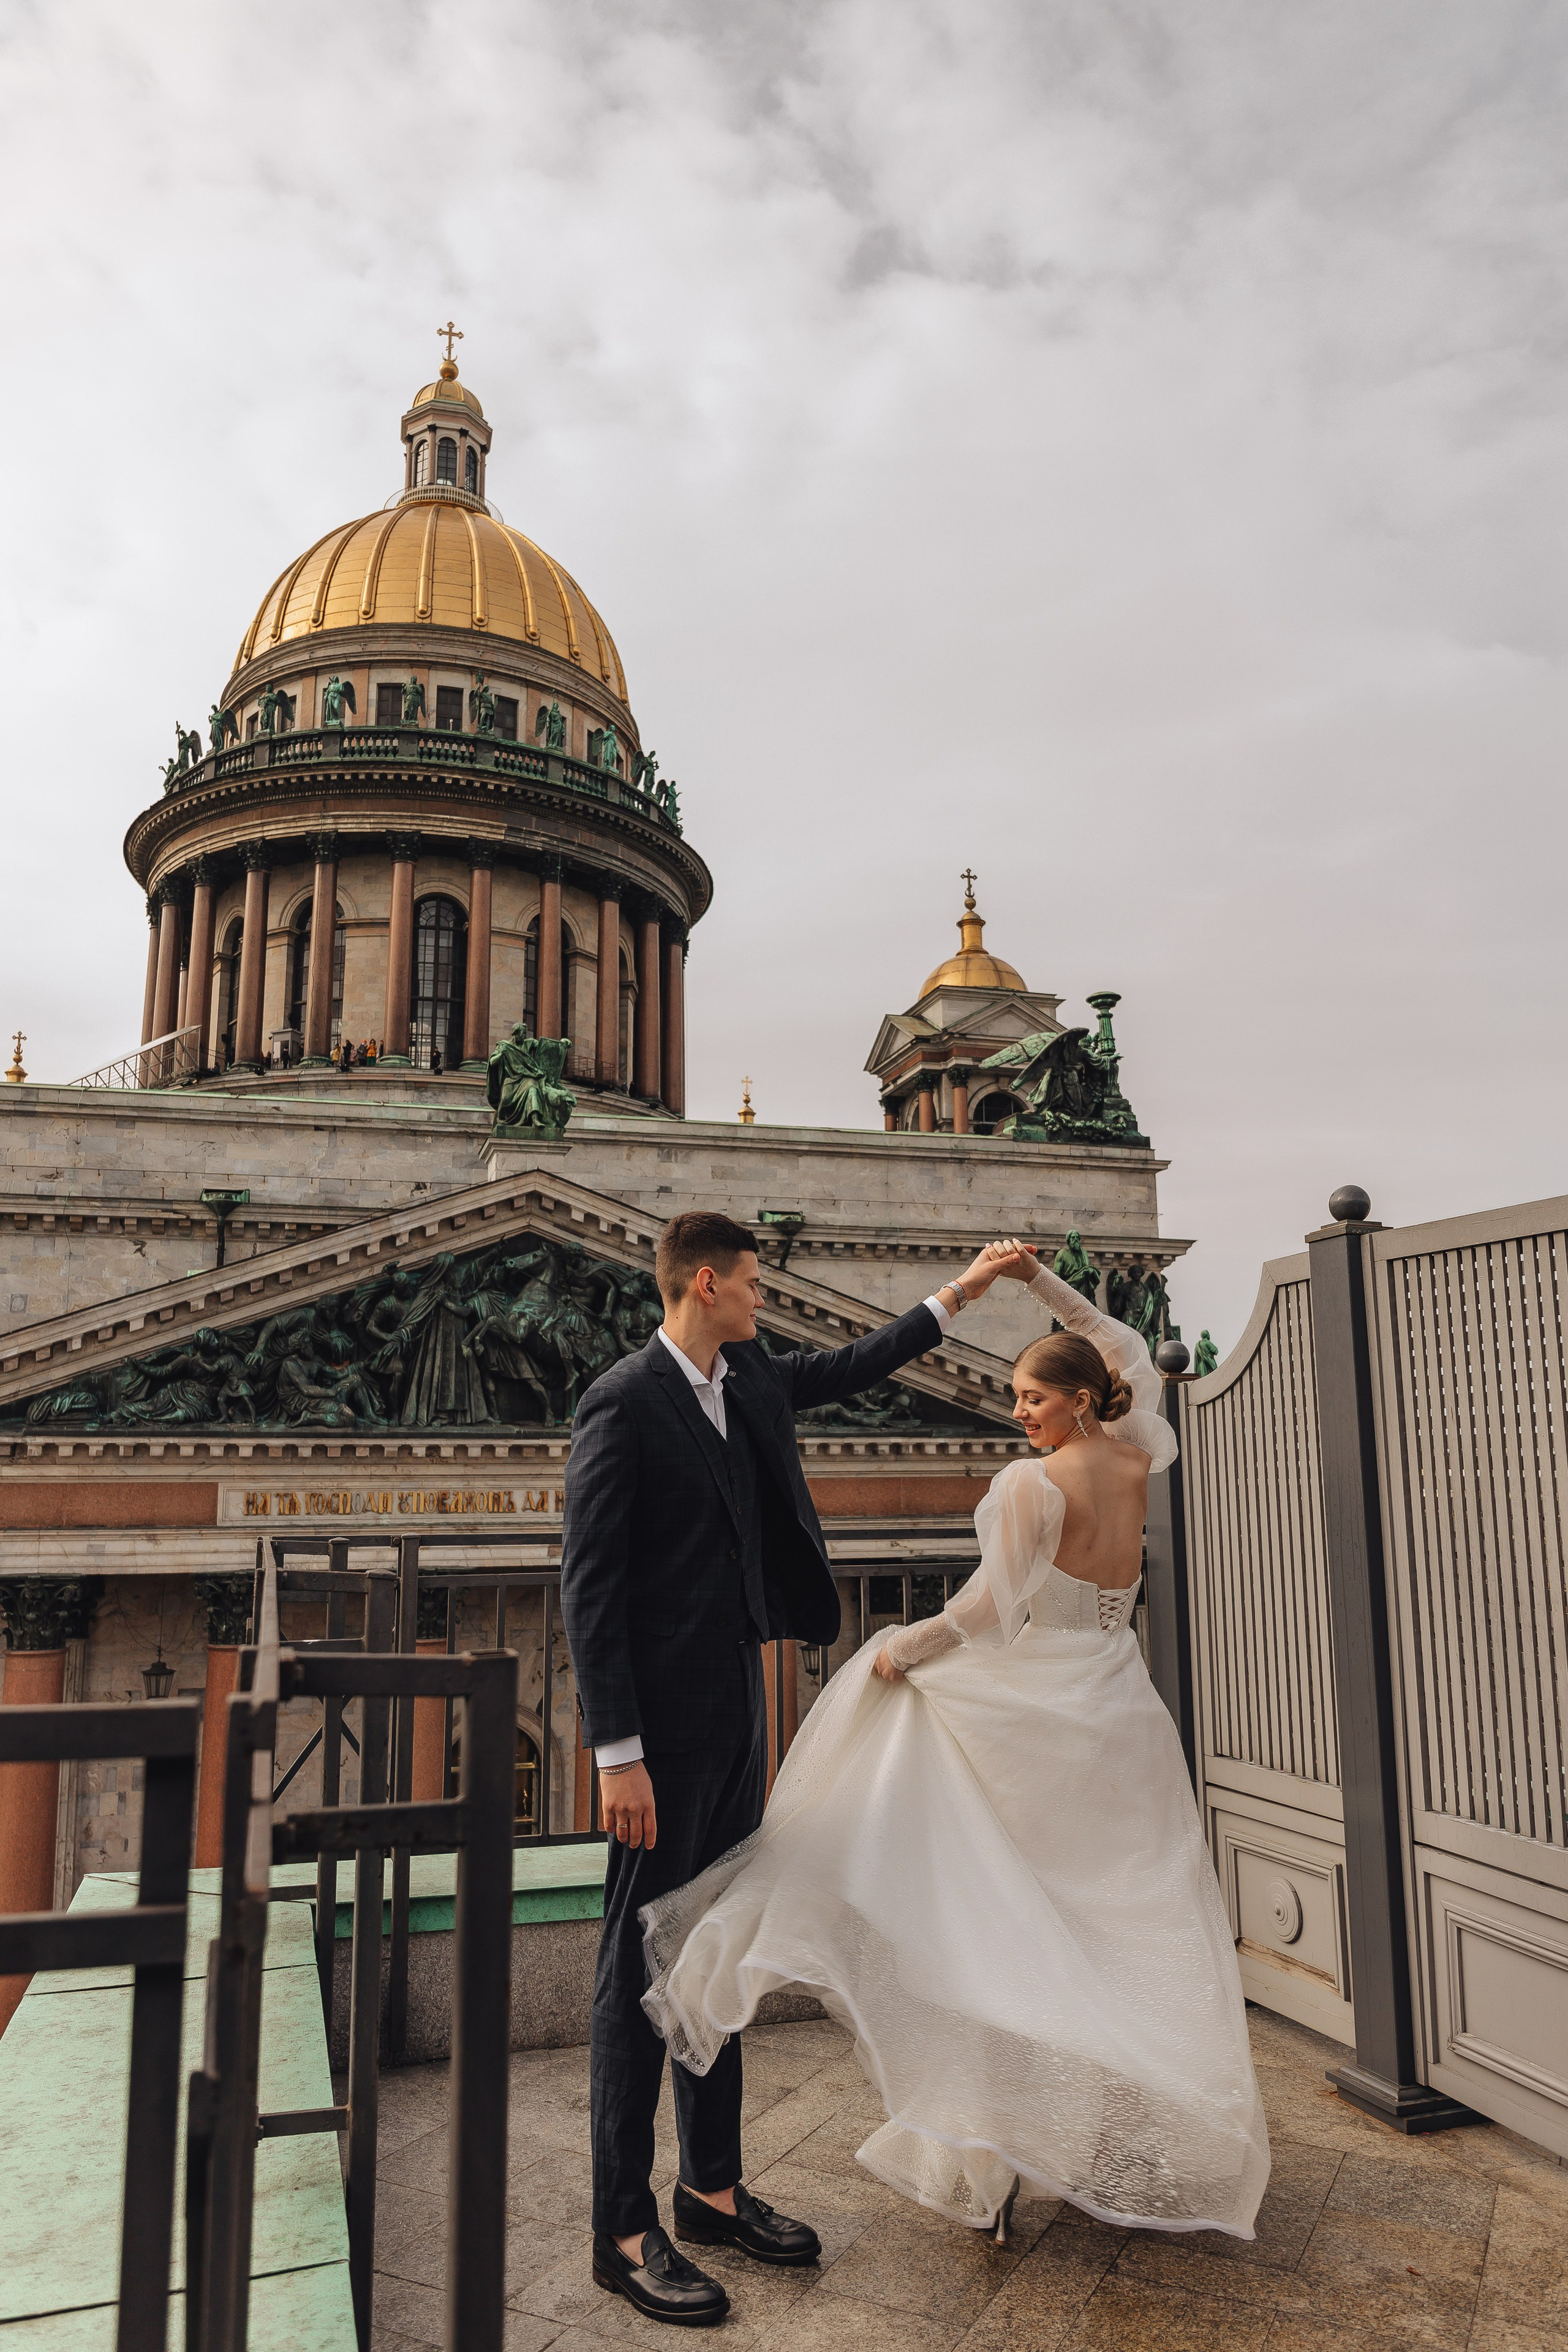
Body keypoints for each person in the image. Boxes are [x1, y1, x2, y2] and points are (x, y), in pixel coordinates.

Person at [641, 1239, 1271, 2250]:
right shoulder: (1142, 1446)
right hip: (1119, 1703)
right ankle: (1112, 2123)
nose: (1017, 1412)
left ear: (1073, 1402)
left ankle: (1012, 2132)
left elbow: (987, 1608)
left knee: (1007, 1910)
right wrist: (1034, 1285)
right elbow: (1121, 1342)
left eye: (1030, 1396)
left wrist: (904, 1648)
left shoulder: (1034, 1485)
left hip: (1038, 1709)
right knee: (1120, 1919)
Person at [560, 1210, 1020, 2327]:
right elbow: (591, 1589)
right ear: (705, 1284)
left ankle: (710, 2191)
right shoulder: (624, 1402)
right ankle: (623, 2230)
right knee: (638, 1970)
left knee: (717, 1945)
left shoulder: (750, 1377)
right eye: (755, 1287)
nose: (766, 1302)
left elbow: (857, 1364)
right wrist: (617, 1755)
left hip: (731, 1712)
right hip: (656, 1740)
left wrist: (958, 1292)